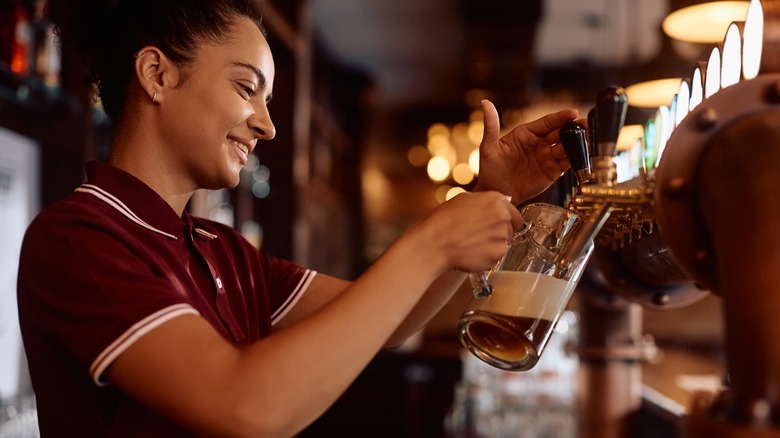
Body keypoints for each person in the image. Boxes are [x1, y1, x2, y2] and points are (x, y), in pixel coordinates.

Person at [16, 0, 580, 436]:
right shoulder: (80, 237)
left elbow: (390, 321)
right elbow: (244, 406)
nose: (268, 126)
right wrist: (431, 242)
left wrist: (486, 195)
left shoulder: (220, 247)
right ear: (157, 74)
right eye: (246, 88)